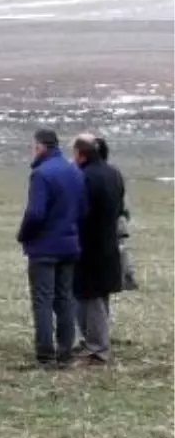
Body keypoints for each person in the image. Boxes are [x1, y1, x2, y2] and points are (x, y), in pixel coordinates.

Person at [17, 129, 87, 368]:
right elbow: (83, 209)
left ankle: (45, 353)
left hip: (44, 248)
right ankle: (65, 351)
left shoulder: (41, 174)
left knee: (43, 301)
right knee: (65, 298)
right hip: (69, 245)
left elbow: (35, 213)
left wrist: (24, 234)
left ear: (39, 147)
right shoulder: (74, 171)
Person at [72, 133, 125, 366]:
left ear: (81, 154)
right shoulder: (114, 173)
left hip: (88, 245)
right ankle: (93, 341)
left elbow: (81, 212)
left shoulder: (86, 177)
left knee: (90, 297)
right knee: (99, 296)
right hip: (108, 243)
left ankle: (97, 349)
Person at [95, 137, 138, 293]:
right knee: (120, 249)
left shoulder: (103, 174)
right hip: (118, 217)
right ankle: (127, 276)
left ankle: (126, 276)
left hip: (112, 218)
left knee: (117, 249)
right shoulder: (114, 173)